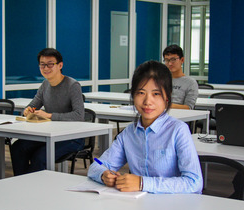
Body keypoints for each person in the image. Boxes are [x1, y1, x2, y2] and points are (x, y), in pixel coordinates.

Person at [87, 60, 203, 194]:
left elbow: (194, 182)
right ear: (133, 95)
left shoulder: (178, 130)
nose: (148, 101)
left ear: (167, 97)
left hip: (173, 207)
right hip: (139, 205)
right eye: (141, 93)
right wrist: (103, 175)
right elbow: (97, 165)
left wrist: (142, 183)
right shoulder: (129, 133)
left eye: (156, 94)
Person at [10, 48, 85, 175]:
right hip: (50, 134)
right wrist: (28, 110)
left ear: (60, 65)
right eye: (42, 64)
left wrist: (49, 115)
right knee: (18, 147)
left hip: (72, 137)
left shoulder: (73, 85)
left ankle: (36, 190)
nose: (46, 68)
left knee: (40, 157)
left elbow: (79, 115)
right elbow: (33, 105)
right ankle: (22, 184)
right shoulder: (45, 85)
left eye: (50, 64)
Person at [163, 45, 198, 109]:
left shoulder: (190, 82)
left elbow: (188, 107)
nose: (170, 63)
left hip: (180, 117)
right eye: (167, 60)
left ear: (182, 60)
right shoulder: (161, 80)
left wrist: (166, 105)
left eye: (173, 59)